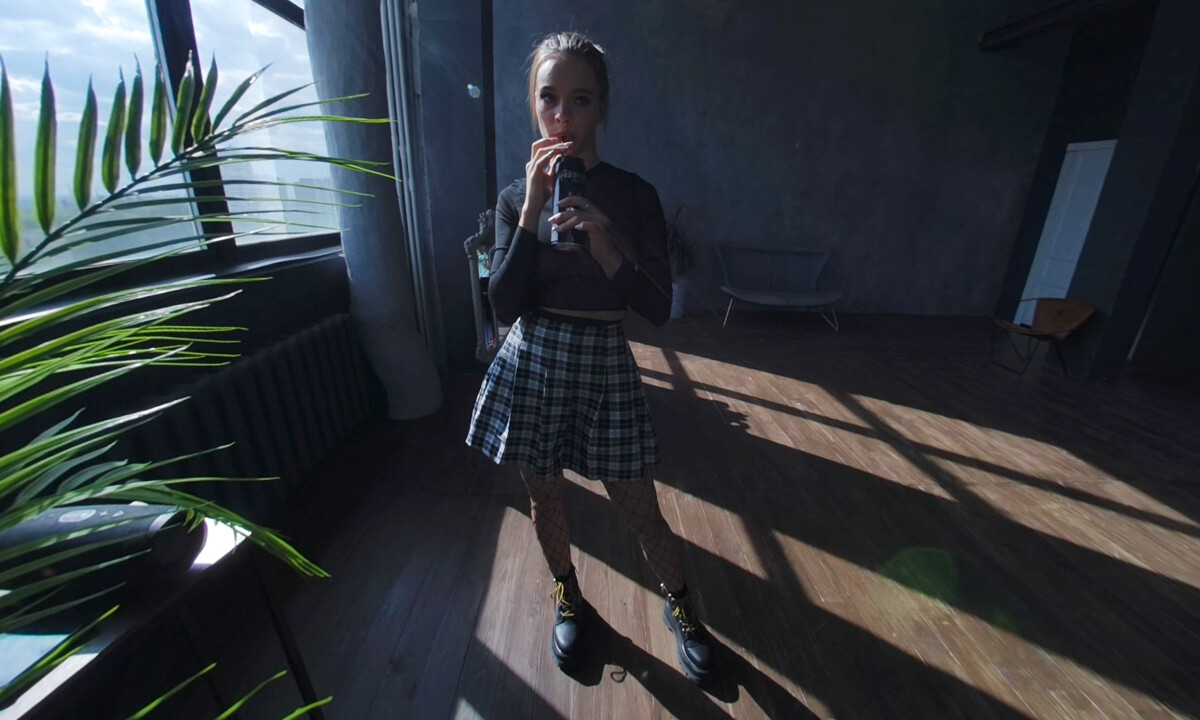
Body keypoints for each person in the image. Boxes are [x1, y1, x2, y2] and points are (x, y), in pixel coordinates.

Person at [465, 31, 716, 685]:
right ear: (533, 105)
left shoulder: (633, 195)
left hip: (604, 360)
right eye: (549, 98)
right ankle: (567, 595)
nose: (562, 116)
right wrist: (530, 207)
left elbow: (656, 307)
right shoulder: (514, 198)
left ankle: (681, 606)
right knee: (544, 498)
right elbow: (503, 302)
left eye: (579, 100)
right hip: (533, 358)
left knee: (638, 505)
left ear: (601, 108)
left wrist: (606, 247)